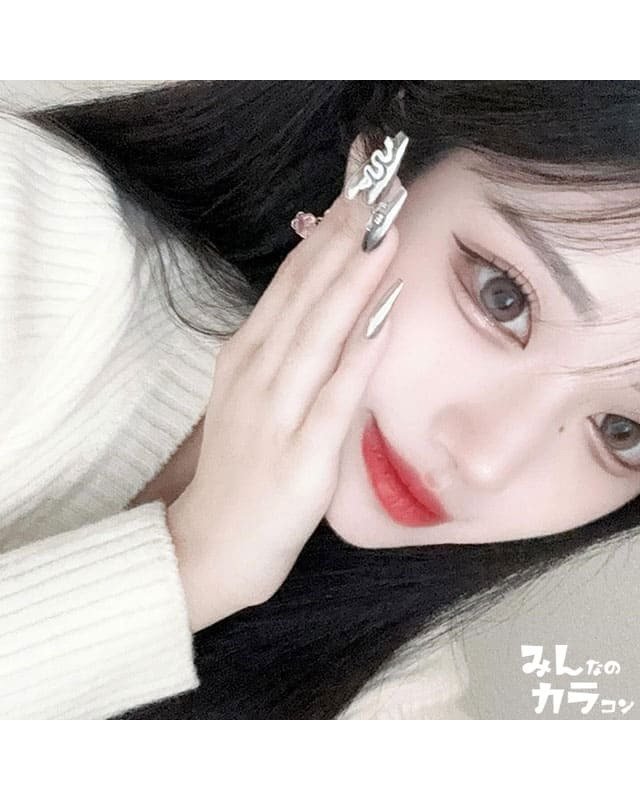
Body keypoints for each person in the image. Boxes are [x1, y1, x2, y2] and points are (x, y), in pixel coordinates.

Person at [1, 81, 639, 720]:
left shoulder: (396, 711)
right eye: (503, 298)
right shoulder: (30, 236)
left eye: (621, 430)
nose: (486, 462)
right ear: (378, 170)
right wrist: (189, 564)